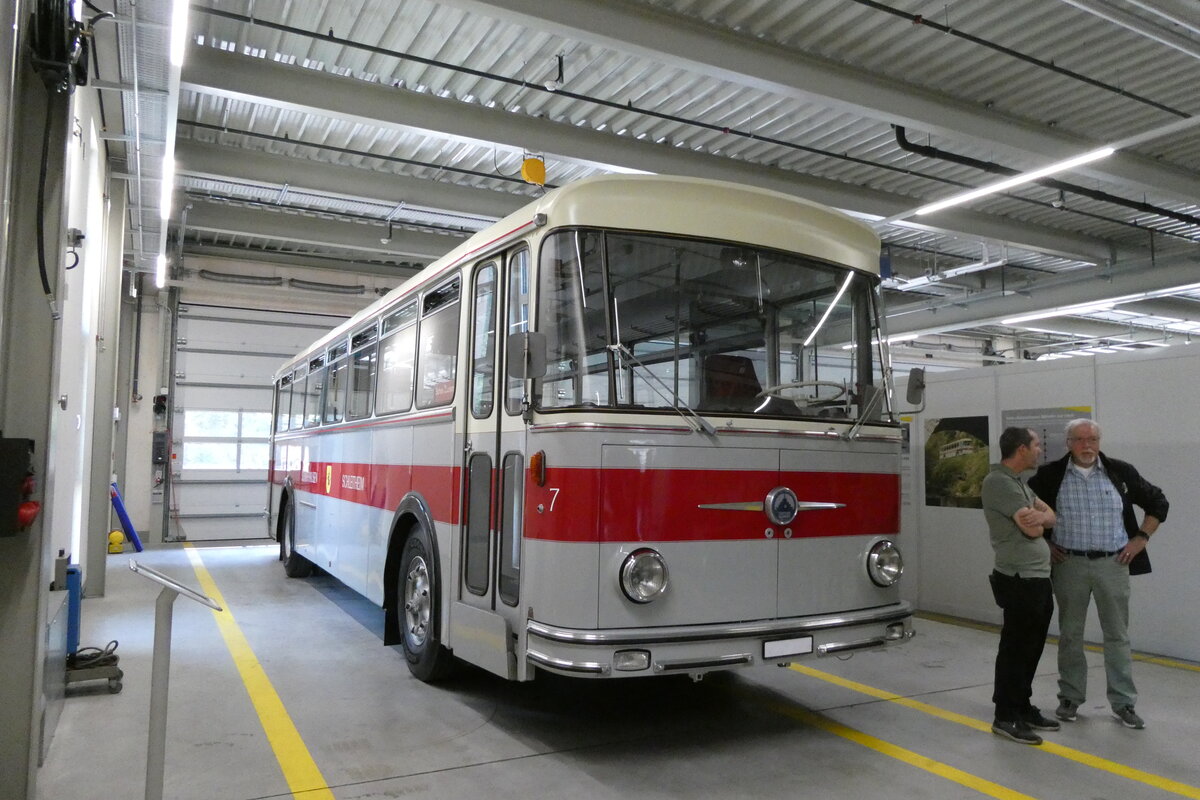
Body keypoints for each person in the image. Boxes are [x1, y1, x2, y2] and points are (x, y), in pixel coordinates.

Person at [1028, 419, 1168, 730]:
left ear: (1099, 441)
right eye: (1079, 439)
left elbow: (1159, 502)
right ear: (1068, 443)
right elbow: (1022, 512)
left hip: (1113, 565)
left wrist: (1141, 538)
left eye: (1092, 439)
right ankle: (1070, 698)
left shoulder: (1120, 472)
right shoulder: (1050, 476)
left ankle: (1123, 703)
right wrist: (1044, 543)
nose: (1087, 445)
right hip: (1069, 565)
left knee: (1117, 636)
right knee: (1070, 635)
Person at [981, 427, 1059, 745]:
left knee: (1032, 647)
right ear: (1021, 449)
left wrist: (1040, 520)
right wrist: (1039, 523)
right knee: (1016, 648)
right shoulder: (998, 482)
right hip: (1018, 579)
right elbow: (1031, 531)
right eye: (1036, 445)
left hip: (1036, 577)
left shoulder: (1018, 484)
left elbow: (1051, 517)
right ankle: (1006, 715)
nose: (1040, 449)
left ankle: (1022, 706)